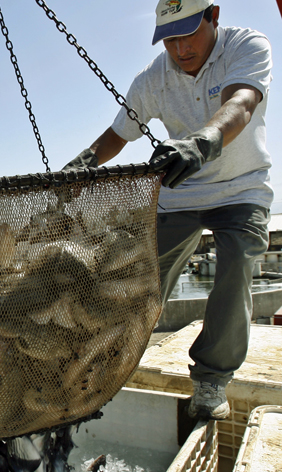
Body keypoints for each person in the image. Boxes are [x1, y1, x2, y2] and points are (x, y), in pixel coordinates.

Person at [64, 0, 273, 420]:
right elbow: (118, 134)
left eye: (189, 32)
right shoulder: (153, 79)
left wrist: (202, 142)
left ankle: (211, 380)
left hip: (241, 189)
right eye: (169, 39)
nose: (180, 49)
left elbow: (243, 103)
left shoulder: (246, 46)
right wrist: (83, 161)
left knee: (234, 271)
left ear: (213, 15)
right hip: (181, 192)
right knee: (138, 280)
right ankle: (100, 365)